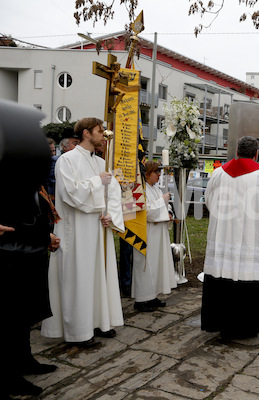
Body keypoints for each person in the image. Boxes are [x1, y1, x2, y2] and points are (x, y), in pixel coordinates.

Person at [41, 117, 125, 347]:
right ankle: (78, 332)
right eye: (100, 131)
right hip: (75, 228)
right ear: (87, 133)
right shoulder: (66, 160)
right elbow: (70, 194)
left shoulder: (100, 162)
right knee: (78, 278)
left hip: (98, 227)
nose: (103, 136)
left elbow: (114, 191)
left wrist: (111, 214)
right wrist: (98, 182)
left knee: (98, 275)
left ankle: (98, 321)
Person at [0, 100, 60, 397]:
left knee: (24, 312)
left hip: (29, 246)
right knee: (8, 315)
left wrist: (45, 234)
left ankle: (24, 359)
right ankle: (8, 375)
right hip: (7, 250)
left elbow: (35, 204)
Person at [201, 136, 259, 341]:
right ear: (256, 154)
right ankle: (247, 327)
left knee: (222, 276)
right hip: (250, 238)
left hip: (222, 237)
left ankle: (219, 323)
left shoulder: (218, 173)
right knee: (248, 277)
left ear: (236, 151)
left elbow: (209, 202)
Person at [131, 161, 177, 312]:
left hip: (159, 233)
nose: (159, 175)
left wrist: (169, 212)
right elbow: (147, 212)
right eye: (156, 172)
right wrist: (162, 201)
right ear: (146, 173)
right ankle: (142, 299)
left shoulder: (155, 189)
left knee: (157, 265)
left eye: (159, 172)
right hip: (147, 233)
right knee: (146, 266)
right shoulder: (140, 190)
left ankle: (153, 295)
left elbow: (166, 206)